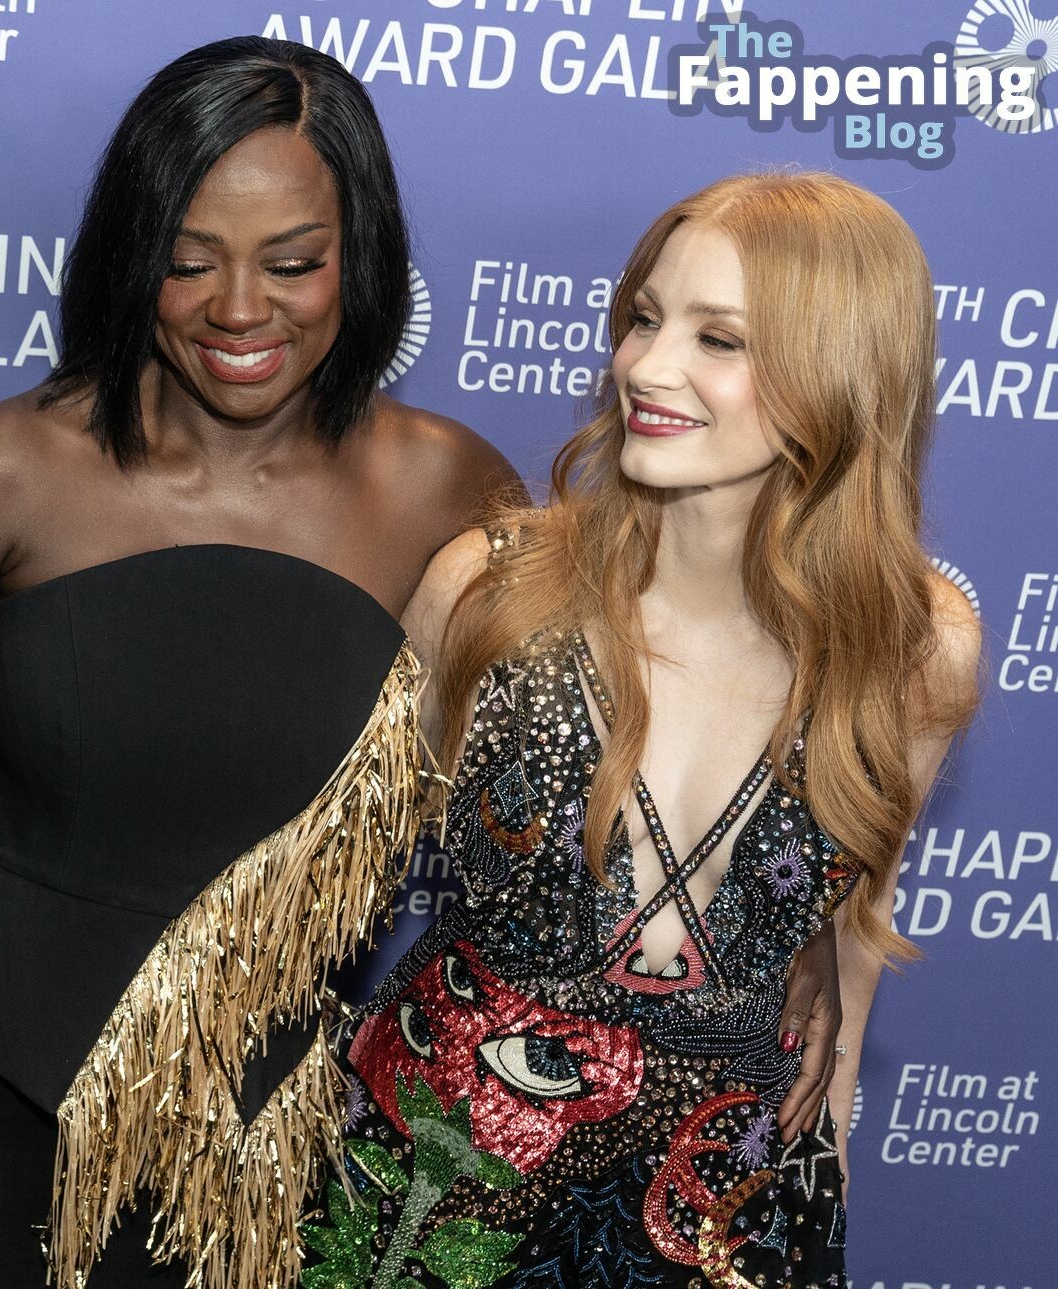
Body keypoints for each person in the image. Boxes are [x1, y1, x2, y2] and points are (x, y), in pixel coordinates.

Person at [0, 35, 519, 1288]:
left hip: (247, 1116)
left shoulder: (451, 490)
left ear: (361, 256)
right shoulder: (7, 467)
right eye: (188, 260)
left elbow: (541, 805)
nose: (239, 309)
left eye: (293, 263)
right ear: (129, 251)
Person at [302, 172, 982, 1287]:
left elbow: (851, 948)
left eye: (719, 339)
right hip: (431, 1191)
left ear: (842, 368)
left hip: (721, 1208)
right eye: (645, 319)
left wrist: (828, 1179)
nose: (647, 368)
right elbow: (329, 890)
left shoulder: (913, 648)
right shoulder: (492, 595)